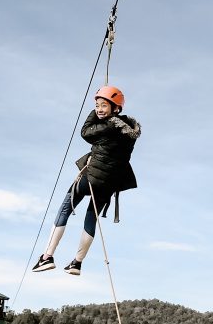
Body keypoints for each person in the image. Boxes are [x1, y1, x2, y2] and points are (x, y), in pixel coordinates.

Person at [32, 85, 140, 277]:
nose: (99, 109)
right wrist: (105, 106)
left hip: (91, 177)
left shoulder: (108, 126)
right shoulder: (128, 132)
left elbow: (85, 132)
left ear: (116, 108)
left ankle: (47, 256)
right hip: (109, 184)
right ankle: (77, 263)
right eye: (97, 105)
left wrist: (93, 113)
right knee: (91, 218)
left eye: (104, 106)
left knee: (65, 208)